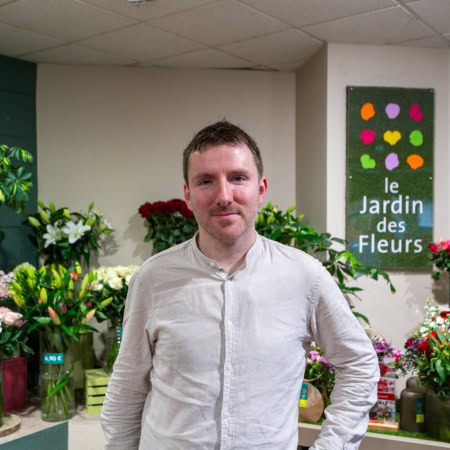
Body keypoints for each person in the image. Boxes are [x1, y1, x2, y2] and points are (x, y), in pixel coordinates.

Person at [101, 120, 379, 449]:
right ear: (188, 195)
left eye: (238, 178)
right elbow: (128, 385)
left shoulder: (305, 276)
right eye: (206, 181)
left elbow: (358, 364)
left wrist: (332, 446)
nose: (224, 196)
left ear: (260, 189)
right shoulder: (153, 278)